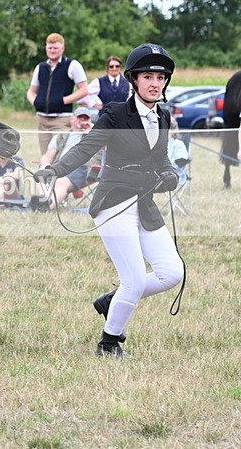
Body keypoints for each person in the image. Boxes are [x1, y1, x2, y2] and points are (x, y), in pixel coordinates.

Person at [34, 43, 184, 358]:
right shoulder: (115, 113)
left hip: (144, 203)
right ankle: (108, 344)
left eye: (160, 77)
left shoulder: (163, 115)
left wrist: (170, 173)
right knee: (133, 280)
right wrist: (55, 170)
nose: (155, 83)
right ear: (134, 79)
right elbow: (85, 148)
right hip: (115, 203)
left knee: (172, 272)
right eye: (148, 77)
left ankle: (112, 300)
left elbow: (161, 159)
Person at [26, 33, 88, 154]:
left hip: (62, 119)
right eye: (50, 47)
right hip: (41, 119)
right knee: (45, 155)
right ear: (46, 48)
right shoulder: (40, 67)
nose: (52, 50)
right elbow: (31, 91)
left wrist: (62, 101)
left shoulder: (72, 65)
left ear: (62, 48)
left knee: (60, 155)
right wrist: (36, 102)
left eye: (55, 48)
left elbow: (84, 90)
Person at [31, 107, 98, 211]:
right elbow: (47, 156)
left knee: (61, 181)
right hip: (59, 166)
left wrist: (92, 132)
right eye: (80, 117)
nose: (83, 120)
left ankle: (46, 208)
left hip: (81, 169)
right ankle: (44, 201)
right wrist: (44, 166)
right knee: (42, 174)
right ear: (72, 119)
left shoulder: (94, 136)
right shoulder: (61, 136)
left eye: (86, 118)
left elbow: (103, 150)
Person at [80, 55, 132, 119]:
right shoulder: (99, 82)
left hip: (123, 117)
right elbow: (83, 94)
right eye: (111, 66)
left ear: (120, 67)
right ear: (107, 68)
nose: (114, 68)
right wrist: (94, 104)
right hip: (105, 117)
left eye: (117, 66)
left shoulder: (128, 82)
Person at [167, 118, 190, 186]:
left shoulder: (179, 144)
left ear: (173, 131)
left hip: (173, 175)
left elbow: (179, 162)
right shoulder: (156, 144)